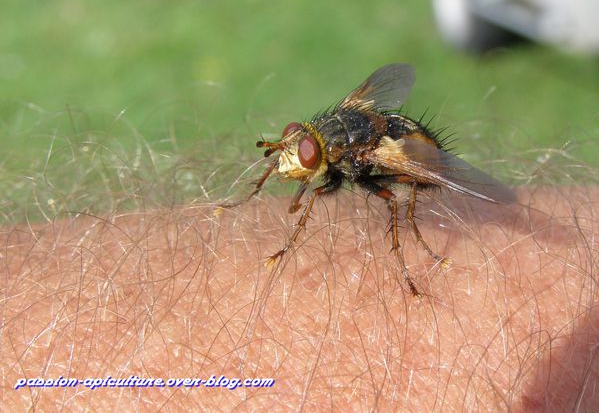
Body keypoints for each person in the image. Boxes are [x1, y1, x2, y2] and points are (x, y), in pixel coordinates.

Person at [3, 186, 598, 410]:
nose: (291, 160)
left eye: (300, 152)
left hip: (400, 153)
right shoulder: (315, 154)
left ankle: (405, 251)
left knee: (397, 200)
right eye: (294, 147)